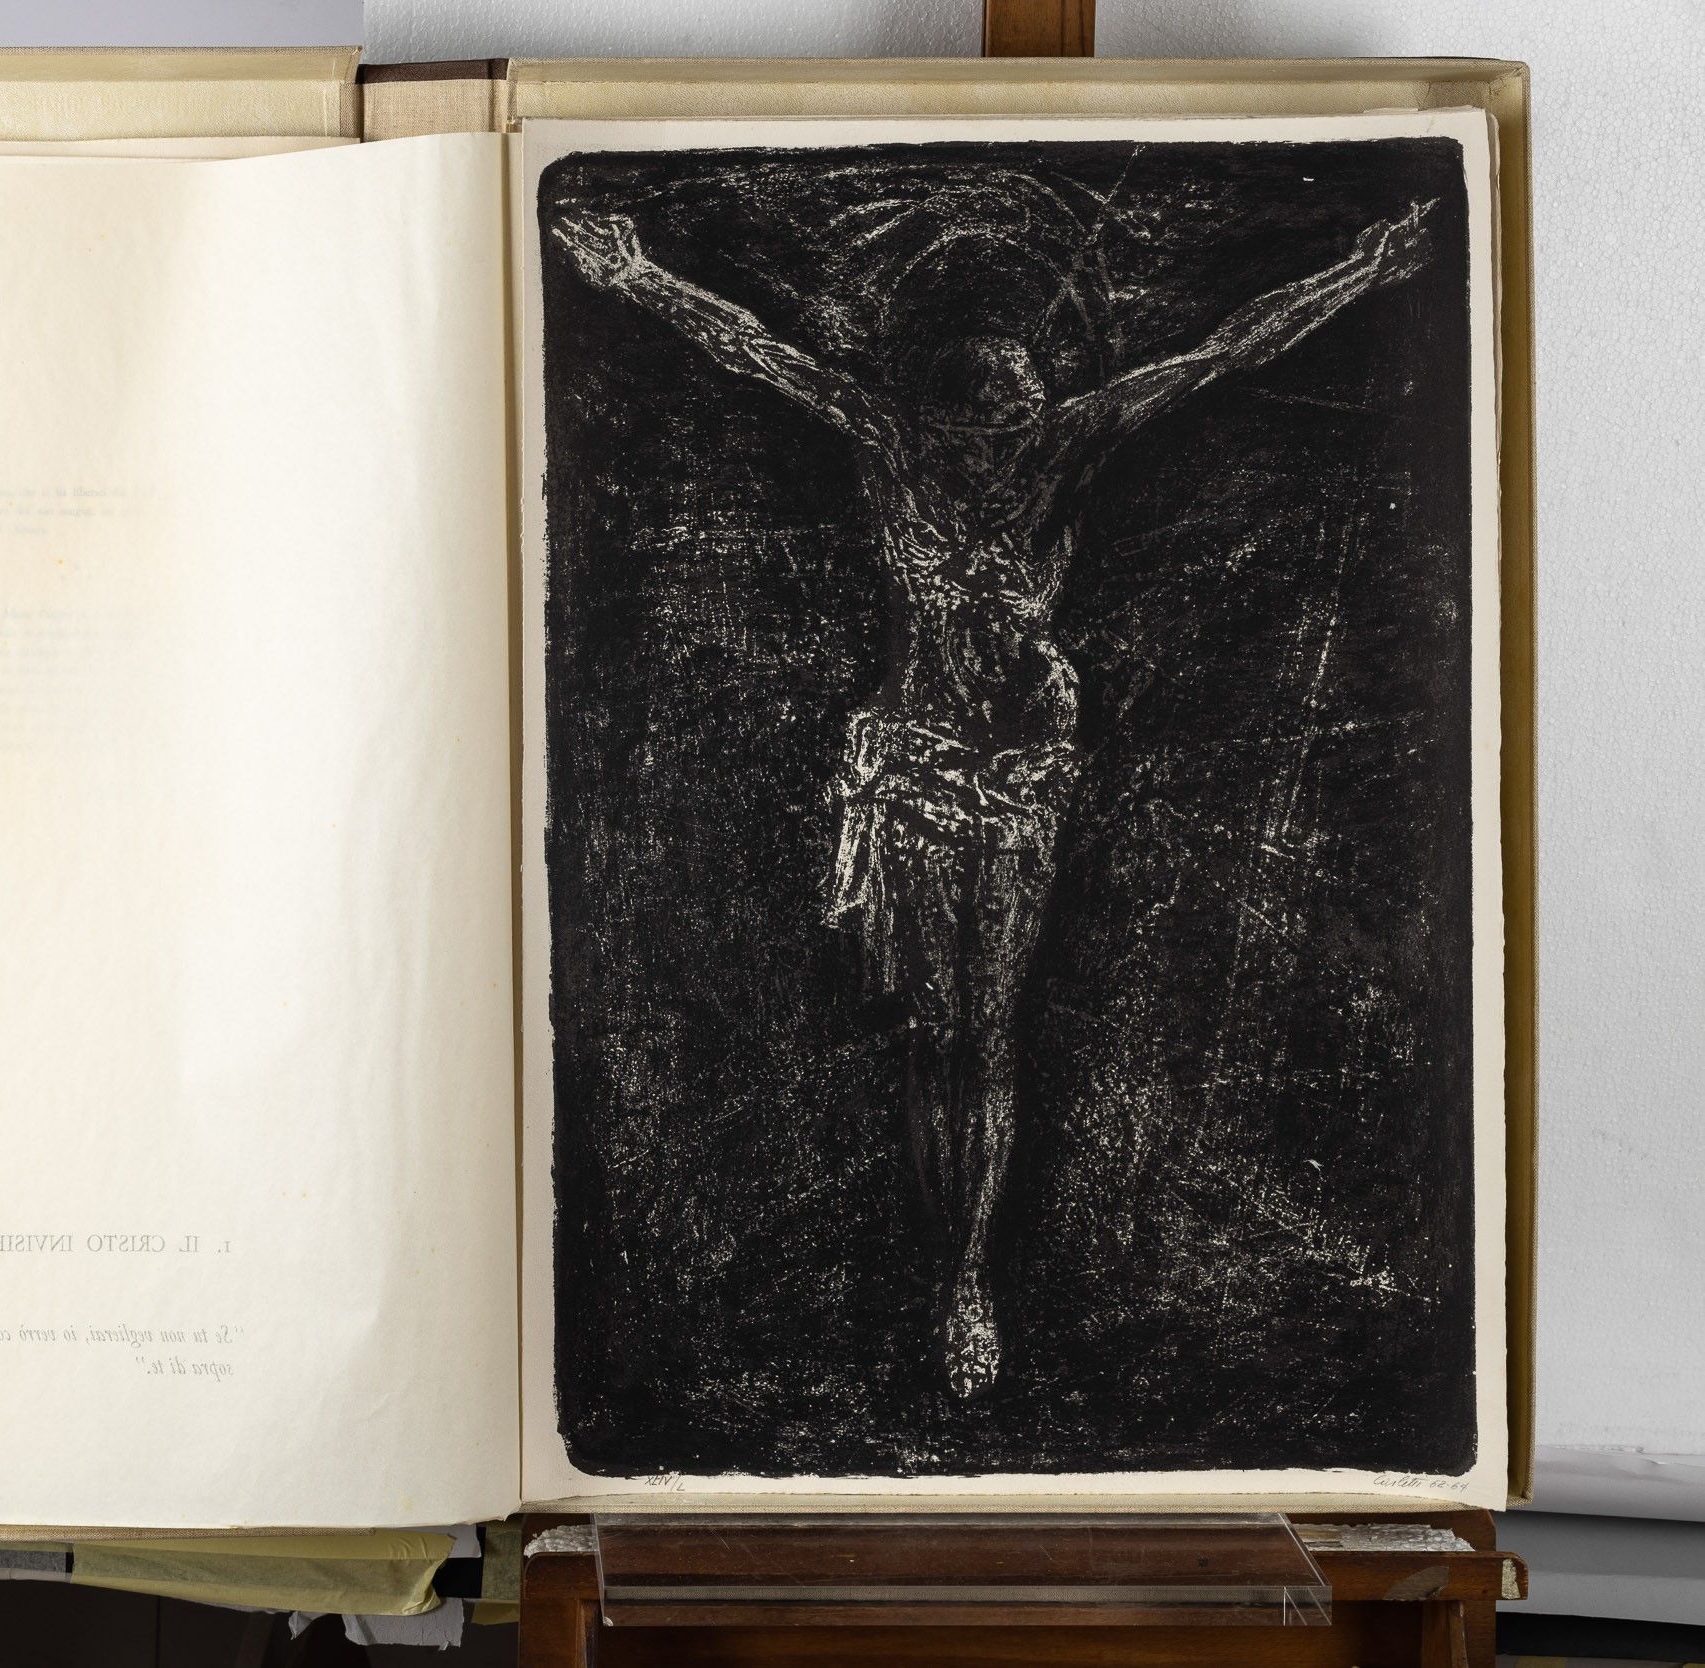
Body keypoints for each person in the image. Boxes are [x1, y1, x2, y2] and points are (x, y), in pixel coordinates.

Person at [550, 191, 1434, 1398]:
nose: (1001, 434)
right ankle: (947, 1275)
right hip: (914, 765)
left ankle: (969, 1277)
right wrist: (636, 277)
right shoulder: (891, 443)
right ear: (945, 415)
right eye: (984, 415)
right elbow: (758, 351)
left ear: (1035, 406)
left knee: (990, 1028)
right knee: (941, 1032)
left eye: (1019, 408)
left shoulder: (1065, 445)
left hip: (1019, 776)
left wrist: (1359, 271)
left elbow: (1222, 351)